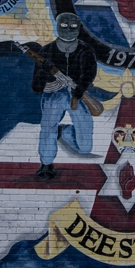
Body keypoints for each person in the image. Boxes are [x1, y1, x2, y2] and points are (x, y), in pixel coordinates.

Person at [30, 13, 97, 179]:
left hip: (76, 95)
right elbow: (36, 87)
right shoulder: (47, 51)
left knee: (85, 146)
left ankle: (64, 132)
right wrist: (46, 72)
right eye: (64, 26)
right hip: (53, 96)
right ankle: (46, 163)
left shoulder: (85, 51)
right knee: (48, 127)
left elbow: (89, 74)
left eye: (73, 26)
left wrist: (79, 88)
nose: (68, 30)